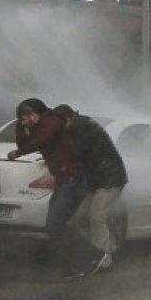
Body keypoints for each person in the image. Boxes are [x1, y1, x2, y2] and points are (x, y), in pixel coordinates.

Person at [7, 99, 91, 277]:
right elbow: (23, 144)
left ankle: (91, 257)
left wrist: (20, 152)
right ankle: (78, 262)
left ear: (39, 112)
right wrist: (20, 127)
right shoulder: (37, 126)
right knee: (53, 225)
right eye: (23, 118)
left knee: (55, 224)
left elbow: (41, 140)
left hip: (73, 179)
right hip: (63, 180)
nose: (27, 120)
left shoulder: (52, 121)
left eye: (29, 116)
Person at [52, 105, 128, 275]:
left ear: (68, 120)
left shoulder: (84, 129)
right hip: (96, 181)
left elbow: (76, 154)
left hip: (110, 180)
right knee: (79, 218)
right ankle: (97, 252)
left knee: (97, 215)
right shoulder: (75, 128)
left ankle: (105, 261)